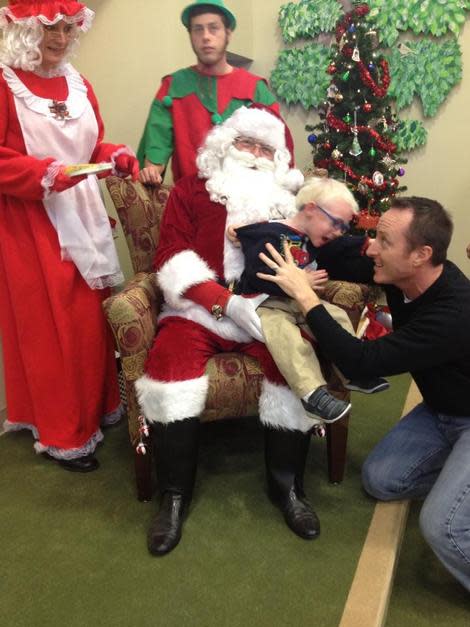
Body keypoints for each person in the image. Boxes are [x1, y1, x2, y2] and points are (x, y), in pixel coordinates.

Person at [135, 105, 328, 557]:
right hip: (199, 311)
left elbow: (312, 255)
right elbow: (169, 257)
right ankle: (175, 495)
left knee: (295, 359)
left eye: (266, 149)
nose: (257, 155)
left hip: (268, 314)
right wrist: (223, 302)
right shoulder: (190, 193)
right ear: (225, 146)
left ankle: (288, 488)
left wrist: (305, 278)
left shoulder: (289, 206)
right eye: (247, 144)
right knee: (169, 364)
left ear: (278, 159)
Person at [257, 196, 470, 591]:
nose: (371, 247)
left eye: (383, 241)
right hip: (442, 410)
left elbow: (361, 361)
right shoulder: (400, 274)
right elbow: (336, 251)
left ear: (421, 254)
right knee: (381, 480)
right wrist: (294, 226)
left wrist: (305, 297)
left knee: (443, 528)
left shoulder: (454, 314)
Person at [0, 0, 139, 472]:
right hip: (32, 225)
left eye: (66, 28)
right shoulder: (4, 84)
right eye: (48, 29)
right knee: (52, 328)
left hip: (84, 215)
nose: (59, 39)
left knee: (91, 321)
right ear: (24, 29)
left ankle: (97, 410)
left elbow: (91, 144)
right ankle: (65, 432)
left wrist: (115, 153)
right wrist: (44, 173)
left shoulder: (79, 84)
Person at [230, 176, 389, 424]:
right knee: (283, 332)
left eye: (343, 227)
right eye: (336, 223)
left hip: (297, 301)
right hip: (264, 302)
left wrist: (364, 243)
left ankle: (352, 369)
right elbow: (257, 272)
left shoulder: (312, 238)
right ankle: (312, 393)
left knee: (336, 315)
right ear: (311, 209)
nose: (338, 232)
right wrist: (301, 280)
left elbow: (341, 246)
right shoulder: (270, 232)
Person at [137, 0, 281, 186]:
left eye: (213, 28)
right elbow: (156, 150)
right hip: (190, 203)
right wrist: (151, 172)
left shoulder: (255, 89)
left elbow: (276, 151)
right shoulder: (173, 87)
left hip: (246, 202)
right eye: (198, 29)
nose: (206, 36)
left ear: (227, 33)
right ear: (190, 35)